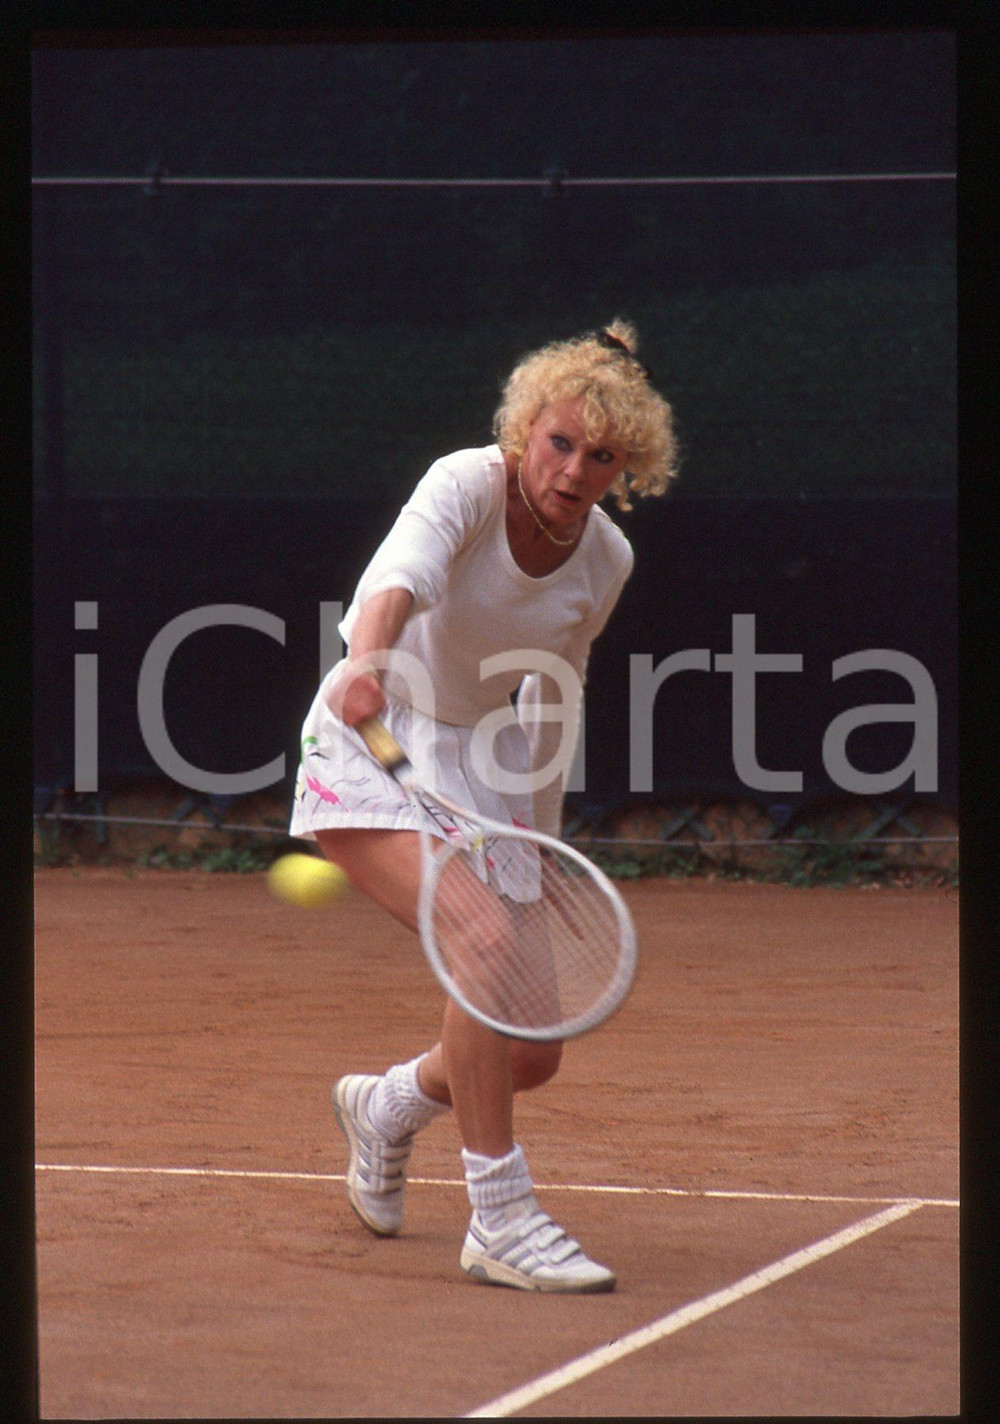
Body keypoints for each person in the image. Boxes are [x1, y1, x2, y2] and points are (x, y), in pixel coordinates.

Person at [289, 320, 678, 1292]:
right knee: (486, 947)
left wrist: (536, 836)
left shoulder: (606, 559)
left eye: (601, 455)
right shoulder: (464, 480)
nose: (573, 468)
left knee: (530, 1049)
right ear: (523, 431)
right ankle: (498, 1214)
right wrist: (367, 664)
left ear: (624, 466)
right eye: (559, 442)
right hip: (370, 732)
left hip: (481, 764)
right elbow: (397, 577)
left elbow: (553, 690)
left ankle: (385, 1105)